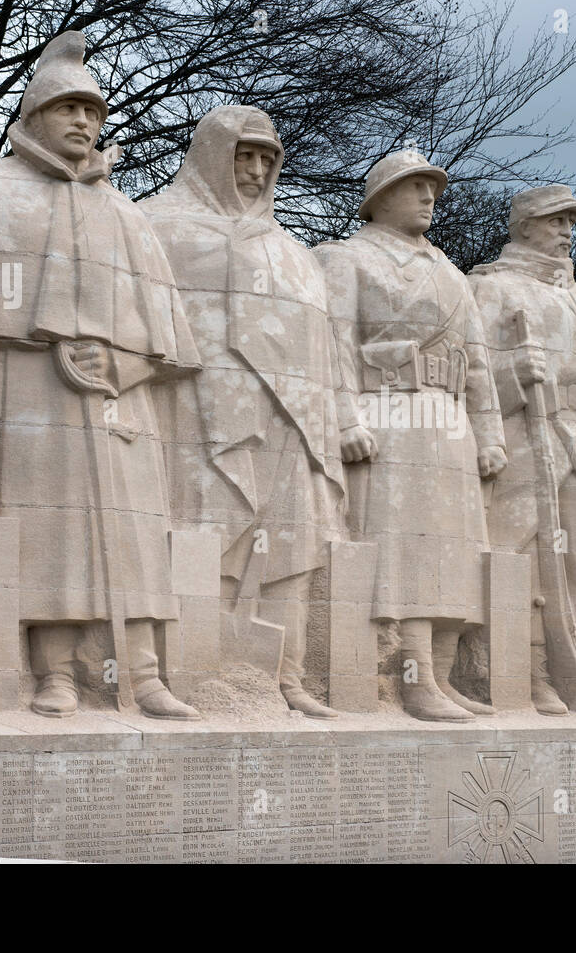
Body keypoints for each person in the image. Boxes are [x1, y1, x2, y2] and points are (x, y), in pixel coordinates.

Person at [0, 31, 199, 719]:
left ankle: (143, 672)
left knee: (133, 535)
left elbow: (172, 341)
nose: (83, 121)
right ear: (34, 114)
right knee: (51, 535)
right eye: (68, 107)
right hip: (31, 391)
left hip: (120, 401)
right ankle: (56, 672)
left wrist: (126, 361)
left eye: (93, 111)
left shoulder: (127, 214)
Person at [142, 106, 347, 718]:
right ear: (212, 155)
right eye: (243, 155)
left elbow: (327, 350)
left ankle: (286, 678)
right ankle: (198, 669)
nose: (257, 170)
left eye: (267, 158)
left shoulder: (295, 254)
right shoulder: (157, 225)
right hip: (205, 413)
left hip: (295, 419)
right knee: (210, 533)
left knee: (289, 544)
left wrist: (336, 422)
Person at [315, 150, 506, 723]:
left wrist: (490, 433)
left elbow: (478, 363)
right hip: (389, 417)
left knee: (455, 556)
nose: (428, 196)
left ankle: (441, 678)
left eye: (432, 187)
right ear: (380, 198)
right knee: (407, 555)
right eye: (414, 186)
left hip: (449, 424)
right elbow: (333, 344)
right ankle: (411, 677)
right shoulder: (347, 259)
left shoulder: (451, 274)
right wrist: (347, 419)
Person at [471, 186, 576, 718]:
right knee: (526, 563)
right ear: (523, 226)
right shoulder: (491, 288)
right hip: (526, 434)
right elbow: (470, 375)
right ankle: (533, 675)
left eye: (570, 221)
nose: (567, 229)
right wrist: (513, 375)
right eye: (555, 220)